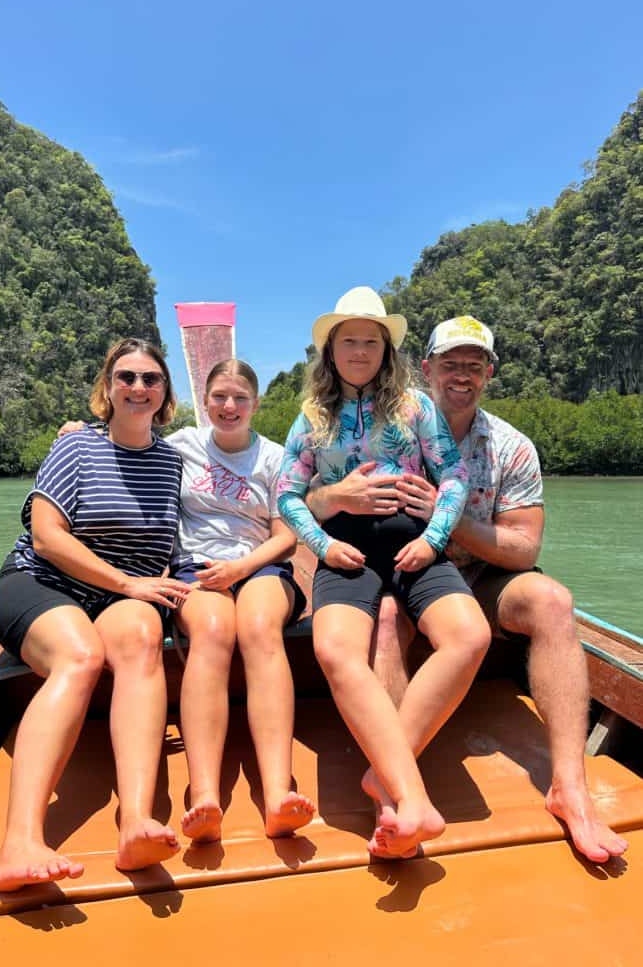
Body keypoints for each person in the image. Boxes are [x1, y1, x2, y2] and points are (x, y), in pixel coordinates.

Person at [309, 314, 628, 864]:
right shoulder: (381, 419)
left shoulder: (511, 446)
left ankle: (569, 787)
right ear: (426, 369)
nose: (462, 375)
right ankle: (398, 785)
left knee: (553, 600)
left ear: (490, 373)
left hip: (479, 576)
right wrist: (340, 498)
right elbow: (315, 499)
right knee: (384, 619)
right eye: (450, 363)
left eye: (474, 365)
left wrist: (447, 518)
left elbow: (524, 549)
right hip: (398, 571)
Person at [277, 287, 491, 859]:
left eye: (370, 340)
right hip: (347, 552)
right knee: (335, 651)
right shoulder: (312, 417)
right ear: (330, 351)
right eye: (349, 340)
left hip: (416, 547)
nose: (360, 350)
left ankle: (384, 776)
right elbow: (287, 495)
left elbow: (452, 475)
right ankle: (410, 792)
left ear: (385, 349)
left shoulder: (415, 408)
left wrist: (434, 538)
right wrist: (322, 545)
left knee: (470, 635)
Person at [0, 339, 191, 892]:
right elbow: (48, 538)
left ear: (165, 395)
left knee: (144, 636)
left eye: (151, 379)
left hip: (123, 599)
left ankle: (136, 821)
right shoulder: (76, 449)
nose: (138, 387)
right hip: (43, 584)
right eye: (126, 377)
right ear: (107, 388)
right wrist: (128, 582)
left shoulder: (174, 463)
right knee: (81, 655)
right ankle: (19, 841)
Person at [167, 359, 314, 843]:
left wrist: (241, 568)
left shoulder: (275, 458)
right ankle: (204, 795)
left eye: (240, 398)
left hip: (262, 566)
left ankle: (277, 793)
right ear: (204, 401)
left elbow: (286, 536)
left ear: (255, 404)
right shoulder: (180, 447)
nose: (228, 407)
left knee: (257, 627)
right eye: (218, 397)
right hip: (197, 568)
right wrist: (78, 430)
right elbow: (120, 445)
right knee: (212, 632)